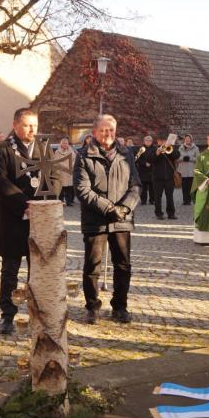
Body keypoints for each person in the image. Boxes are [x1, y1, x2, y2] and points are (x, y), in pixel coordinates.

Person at [0, 108, 60, 335]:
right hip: (13, 218)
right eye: (28, 125)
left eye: (35, 125)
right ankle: (7, 315)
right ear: (16, 124)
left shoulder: (44, 148)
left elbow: (55, 177)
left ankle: (36, 313)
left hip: (39, 220)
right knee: (10, 270)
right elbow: (0, 182)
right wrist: (25, 205)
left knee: (37, 271)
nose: (33, 129)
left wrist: (45, 202)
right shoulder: (2, 149)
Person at [74, 114, 141, 324]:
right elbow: (83, 190)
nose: (108, 134)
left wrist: (123, 208)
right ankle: (92, 306)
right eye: (103, 130)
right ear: (94, 132)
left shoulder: (126, 154)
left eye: (111, 130)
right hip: (96, 219)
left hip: (121, 218)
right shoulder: (84, 156)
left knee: (123, 265)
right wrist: (109, 208)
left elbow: (135, 185)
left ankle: (120, 306)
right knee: (92, 265)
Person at [148, 133, 182, 220]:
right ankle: (159, 213)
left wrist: (170, 149)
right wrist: (157, 152)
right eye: (161, 140)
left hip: (169, 177)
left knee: (170, 196)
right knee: (157, 197)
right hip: (157, 178)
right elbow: (150, 159)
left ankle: (171, 213)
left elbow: (177, 155)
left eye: (164, 140)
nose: (162, 142)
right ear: (158, 141)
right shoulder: (153, 149)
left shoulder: (170, 148)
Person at [177, 134, 200, 205]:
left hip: (191, 170)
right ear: (184, 140)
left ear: (191, 140)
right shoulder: (180, 148)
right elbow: (177, 158)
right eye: (186, 138)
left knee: (192, 186)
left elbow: (199, 158)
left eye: (188, 138)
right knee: (184, 187)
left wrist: (190, 159)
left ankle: (192, 200)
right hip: (183, 170)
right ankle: (185, 200)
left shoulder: (195, 148)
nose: (187, 140)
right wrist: (182, 158)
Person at [136, 135, 157, 205]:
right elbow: (137, 159)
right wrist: (144, 163)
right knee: (143, 187)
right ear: (144, 141)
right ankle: (143, 200)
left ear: (152, 141)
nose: (148, 142)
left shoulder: (155, 149)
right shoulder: (141, 149)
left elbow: (157, 158)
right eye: (146, 140)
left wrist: (151, 163)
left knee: (152, 187)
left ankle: (152, 200)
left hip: (152, 170)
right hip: (143, 170)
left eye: (149, 140)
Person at [56, 138, 77, 206]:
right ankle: (61, 200)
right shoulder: (57, 152)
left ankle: (69, 201)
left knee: (69, 188)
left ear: (68, 144)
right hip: (61, 172)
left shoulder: (71, 151)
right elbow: (56, 161)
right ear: (61, 144)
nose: (65, 144)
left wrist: (70, 167)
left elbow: (74, 160)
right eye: (63, 143)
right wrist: (62, 167)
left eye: (66, 143)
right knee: (61, 188)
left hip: (69, 172)